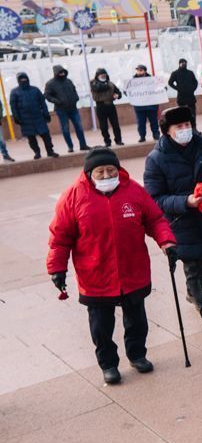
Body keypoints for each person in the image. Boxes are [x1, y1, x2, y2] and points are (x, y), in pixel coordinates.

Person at [47, 148, 176, 384]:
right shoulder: (73, 197)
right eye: (100, 171)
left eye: (111, 170)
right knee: (101, 327)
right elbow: (60, 237)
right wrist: (57, 267)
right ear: (89, 173)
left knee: (137, 320)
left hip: (132, 269)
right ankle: (108, 364)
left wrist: (166, 241)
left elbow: (155, 219)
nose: (107, 176)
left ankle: (137, 355)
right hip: (95, 275)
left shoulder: (134, 191)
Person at [143, 106, 202, 312]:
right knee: (193, 267)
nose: (185, 129)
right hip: (181, 224)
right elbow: (154, 199)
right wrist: (185, 202)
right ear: (167, 131)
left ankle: (194, 293)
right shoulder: (156, 159)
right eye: (179, 126)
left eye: (188, 125)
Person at [9, 72, 58, 158]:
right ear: (18, 80)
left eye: (25, 78)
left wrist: (46, 114)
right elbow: (13, 107)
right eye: (21, 79)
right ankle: (37, 152)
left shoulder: (35, 90)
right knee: (31, 139)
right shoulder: (14, 92)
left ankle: (50, 151)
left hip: (38, 117)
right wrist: (17, 118)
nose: (23, 80)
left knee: (46, 136)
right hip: (25, 120)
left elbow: (43, 103)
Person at [44, 65, 90, 153]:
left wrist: (76, 98)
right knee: (65, 129)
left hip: (73, 108)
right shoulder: (50, 83)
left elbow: (74, 90)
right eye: (60, 72)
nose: (62, 74)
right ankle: (70, 146)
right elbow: (47, 95)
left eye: (63, 72)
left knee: (79, 127)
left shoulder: (68, 81)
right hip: (61, 110)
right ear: (56, 73)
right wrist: (56, 101)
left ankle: (83, 145)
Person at [90, 68, 123, 148]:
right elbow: (98, 88)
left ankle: (118, 140)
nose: (103, 76)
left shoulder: (110, 83)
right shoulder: (93, 83)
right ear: (97, 76)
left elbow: (118, 92)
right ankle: (107, 141)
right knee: (103, 126)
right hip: (100, 106)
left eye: (104, 74)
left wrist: (117, 95)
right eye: (101, 74)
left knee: (115, 124)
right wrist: (106, 84)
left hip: (110, 105)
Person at [130, 64, 162, 142]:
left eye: (141, 70)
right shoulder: (132, 81)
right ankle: (142, 136)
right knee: (141, 123)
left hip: (151, 105)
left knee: (154, 121)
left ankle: (156, 135)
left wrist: (162, 89)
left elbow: (160, 88)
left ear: (145, 71)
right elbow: (127, 91)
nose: (139, 72)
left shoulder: (152, 80)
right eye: (137, 70)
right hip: (139, 106)